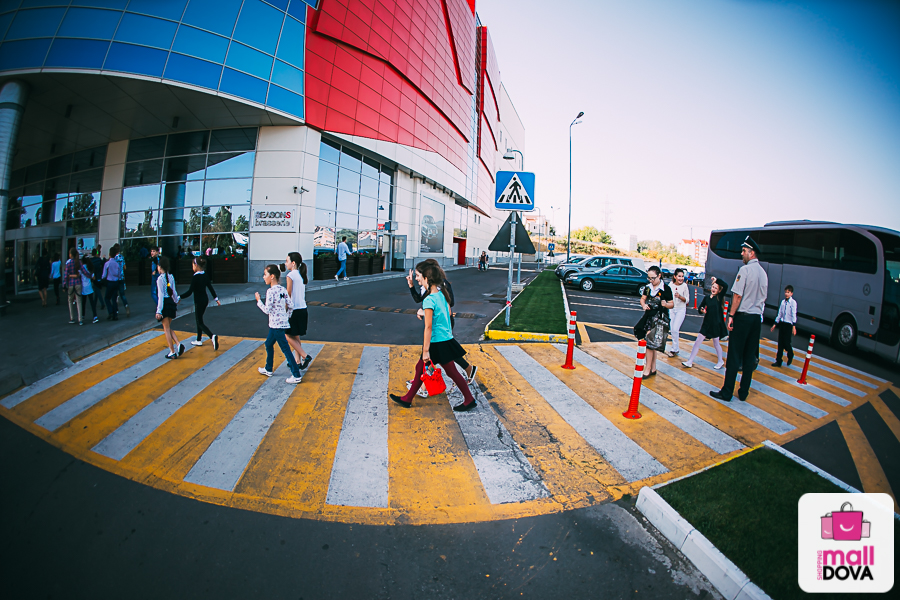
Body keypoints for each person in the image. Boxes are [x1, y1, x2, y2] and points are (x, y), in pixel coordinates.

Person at [390, 261, 477, 411]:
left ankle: (469, 400)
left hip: (437, 342)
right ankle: (408, 398)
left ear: (427, 279)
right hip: (444, 339)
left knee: (446, 371)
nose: (418, 279)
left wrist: (425, 351)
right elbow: (447, 316)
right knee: (432, 370)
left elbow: (428, 327)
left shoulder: (429, 300)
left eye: (419, 277)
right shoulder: (442, 296)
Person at [711, 236, 768, 402]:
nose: (741, 254)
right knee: (750, 357)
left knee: (734, 355)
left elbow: (737, 296)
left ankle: (727, 392)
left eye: (744, 251)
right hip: (756, 319)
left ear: (751, 253)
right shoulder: (763, 274)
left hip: (742, 317)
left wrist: (731, 316)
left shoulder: (745, 271)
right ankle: (743, 392)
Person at [256, 265, 303, 384]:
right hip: (279, 324)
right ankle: (268, 368)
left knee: (286, 349)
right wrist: (287, 317)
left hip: (276, 326)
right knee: (268, 344)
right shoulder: (282, 290)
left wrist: (258, 301)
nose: (263, 277)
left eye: (265, 274)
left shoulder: (270, 291)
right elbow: (291, 305)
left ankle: (296, 374)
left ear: (272, 277)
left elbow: (267, 310)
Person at [635, 266, 674, 378]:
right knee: (651, 343)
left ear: (659, 276)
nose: (651, 281)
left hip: (660, 318)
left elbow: (672, 304)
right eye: (649, 278)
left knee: (650, 343)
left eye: (653, 278)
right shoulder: (648, 288)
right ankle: (653, 368)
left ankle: (647, 369)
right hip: (649, 316)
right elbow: (642, 299)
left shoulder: (666, 289)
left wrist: (666, 304)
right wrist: (644, 305)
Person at [682, 280, 728, 369]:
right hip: (706, 324)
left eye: (716, 288)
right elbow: (700, 308)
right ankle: (690, 361)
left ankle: (720, 361)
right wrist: (702, 310)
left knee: (716, 343)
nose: (713, 289)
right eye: (713, 287)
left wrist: (717, 280)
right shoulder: (707, 297)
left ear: (719, 290)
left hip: (715, 325)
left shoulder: (719, 298)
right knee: (697, 342)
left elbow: (725, 285)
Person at [179, 256, 221, 349]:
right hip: (205, 300)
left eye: (192, 265)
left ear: (196, 265)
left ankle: (212, 336)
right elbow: (210, 288)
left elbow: (190, 292)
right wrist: (216, 298)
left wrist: (179, 297)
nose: (192, 268)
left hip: (198, 301)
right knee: (199, 319)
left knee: (199, 322)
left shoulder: (195, 277)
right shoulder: (205, 275)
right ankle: (198, 339)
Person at [284, 252, 313, 370]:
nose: (286, 264)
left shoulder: (290, 275)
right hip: (303, 309)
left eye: (287, 261)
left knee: (287, 335)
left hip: (294, 310)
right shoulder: (301, 275)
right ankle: (297, 361)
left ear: (293, 263)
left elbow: (288, 294)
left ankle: (305, 356)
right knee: (296, 337)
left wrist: (284, 309)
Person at [155, 256, 184, 359]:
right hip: (171, 303)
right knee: (168, 327)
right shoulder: (171, 277)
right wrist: (176, 300)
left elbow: (161, 295)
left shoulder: (160, 279)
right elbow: (174, 291)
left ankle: (172, 351)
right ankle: (178, 344)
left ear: (160, 267)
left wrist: (159, 310)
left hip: (165, 304)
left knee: (166, 329)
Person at [770, 285, 797, 367]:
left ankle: (790, 354)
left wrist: (794, 326)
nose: (786, 294)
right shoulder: (783, 302)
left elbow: (793, 314)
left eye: (788, 292)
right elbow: (780, 314)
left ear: (791, 293)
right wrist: (775, 324)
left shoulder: (793, 303)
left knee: (786, 343)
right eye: (785, 292)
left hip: (789, 325)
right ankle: (778, 361)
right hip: (782, 324)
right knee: (780, 344)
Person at [666, 268, 689, 357]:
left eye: (682, 276)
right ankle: (676, 348)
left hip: (681, 309)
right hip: (672, 309)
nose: (681, 278)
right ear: (675, 277)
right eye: (679, 276)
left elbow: (687, 300)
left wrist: (680, 297)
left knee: (675, 328)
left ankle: (674, 349)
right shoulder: (670, 285)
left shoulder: (684, 286)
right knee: (672, 329)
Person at [62, 248, 84, 325]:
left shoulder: (68, 263)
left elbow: (65, 275)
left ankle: (72, 318)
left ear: (71, 254)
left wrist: (64, 285)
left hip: (71, 283)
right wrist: (90, 276)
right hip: (78, 283)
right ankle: (80, 319)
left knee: (70, 300)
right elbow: (83, 271)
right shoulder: (79, 262)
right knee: (79, 301)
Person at [102, 245, 122, 320]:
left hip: (109, 282)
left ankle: (110, 311)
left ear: (109, 254)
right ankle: (115, 313)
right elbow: (119, 274)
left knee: (107, 298)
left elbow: (104, 275)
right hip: (116, 282)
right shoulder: (117, 264)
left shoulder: (107, 263)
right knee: (114, 298)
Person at [79, 255, 99, 324]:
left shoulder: (81, 268)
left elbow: (79, 275)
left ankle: (82, 315)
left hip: (83, 287)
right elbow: (93, 277)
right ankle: (95, 316)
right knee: (92, 302)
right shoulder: (90, 267)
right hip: (89, 286)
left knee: (83, 302)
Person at [113, 245, 130, 317]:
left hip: (115, 278)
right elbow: (124, 267)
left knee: (115, 295)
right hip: (122, 278)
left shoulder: (113, 258)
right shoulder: (122, 257)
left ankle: (116, 310)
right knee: (122, 294)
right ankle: (126, 306)